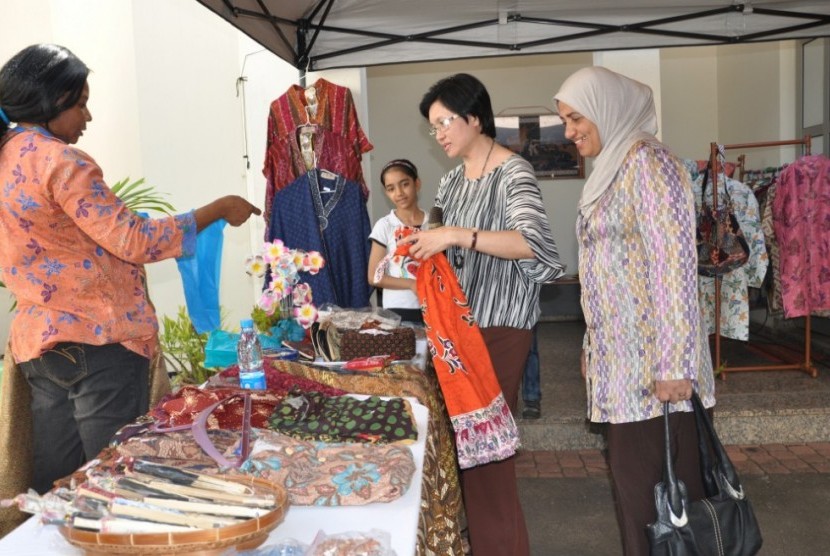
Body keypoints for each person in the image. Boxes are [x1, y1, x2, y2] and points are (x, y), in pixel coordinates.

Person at [0, 43, 261, 494]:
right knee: (116, 485)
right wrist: (216, 209)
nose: (89, 117)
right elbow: (134, 239)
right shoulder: (60, 161)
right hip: (99, 344)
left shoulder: (5, 158)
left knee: (57, 490)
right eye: (81, 103)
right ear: (51, 102)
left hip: (38, 350)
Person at [553, 66, 716, 555]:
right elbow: (606, 275)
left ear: (607, 110)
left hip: (657, 378)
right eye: (564, 120)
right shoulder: (613, 167)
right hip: (623, 370)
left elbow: (676, 271)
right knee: (639, 503)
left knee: (670, 510)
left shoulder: (650, 165)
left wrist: (673, 366)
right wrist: (591, 344)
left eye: (576, 117)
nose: (568, 131)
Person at [404, 72, 564, 556]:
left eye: (445, 122)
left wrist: (456, 235)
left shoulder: (513, 172)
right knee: (468, 451)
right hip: (459, 329)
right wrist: (420, 245)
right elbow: (439, 241)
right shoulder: (452, 181)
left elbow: (535, 248)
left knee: (487, 452)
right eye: (433, 128)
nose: (440, 135)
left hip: (499, 328)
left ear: (474, 118)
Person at [368, 159, 425, 324]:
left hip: (433, 308)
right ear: (386, 193)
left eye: (405, 184)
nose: (399, 193)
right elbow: (374, 277)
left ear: (417, 183)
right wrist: (411, 284)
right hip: (398, 312)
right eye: (391, 189)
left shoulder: (434, 224)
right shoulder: (385, 225)